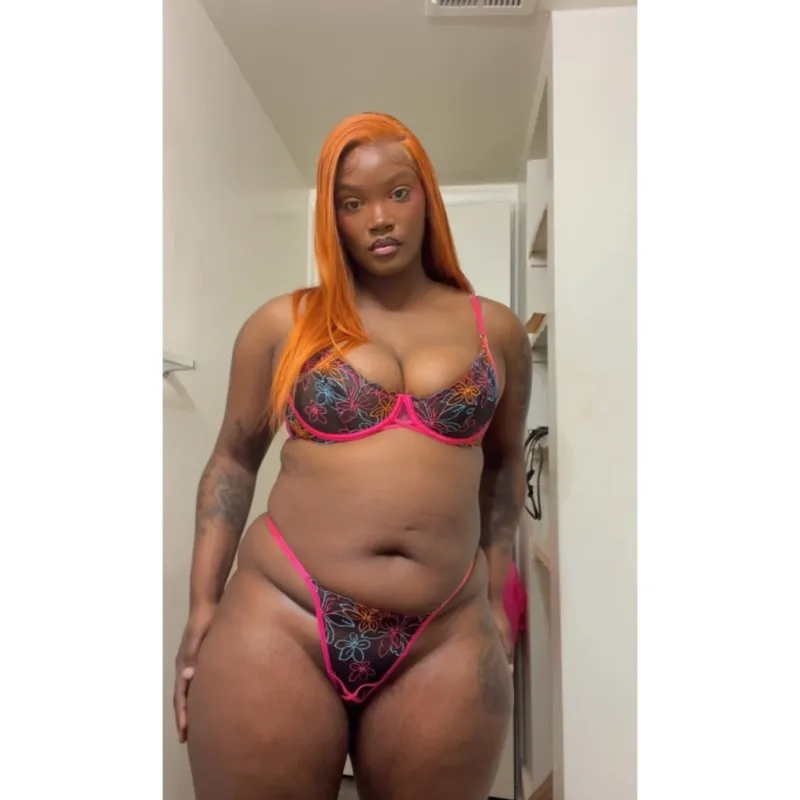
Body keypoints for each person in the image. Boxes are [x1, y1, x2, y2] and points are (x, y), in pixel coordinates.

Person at [173, 111, 532, 800]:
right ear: (331, 217)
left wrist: (497, 601)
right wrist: (201, 604)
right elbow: (234, 461)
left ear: (427, 196)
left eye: (398, 193)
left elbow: (505, 467)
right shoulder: (283, 324)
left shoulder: (498, 330)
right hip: (284, 616)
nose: (379, 218)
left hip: (445, 631)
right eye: (352, 203)